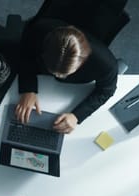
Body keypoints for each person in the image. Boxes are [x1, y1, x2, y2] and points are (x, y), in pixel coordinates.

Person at [15, 0, 120, 134]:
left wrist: (77, 116)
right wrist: (28, 89)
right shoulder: (38, 30)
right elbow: (24, 54)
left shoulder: (106, 64)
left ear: (83, 61)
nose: (58, 77)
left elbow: (106, 90)